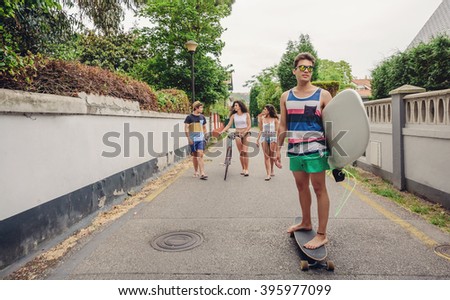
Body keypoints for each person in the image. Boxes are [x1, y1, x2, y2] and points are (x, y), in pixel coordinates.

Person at [276, 52, 332, 249]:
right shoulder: (286, 96)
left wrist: (338, 154)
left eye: (309, 68)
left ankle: (322, 234)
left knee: (319, 189)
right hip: (295, 149)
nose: (306, 71)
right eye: (302, 67)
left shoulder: (323, 95)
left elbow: (332, 125)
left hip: (316, 149)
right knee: (301, 187)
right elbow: (283, 125)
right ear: (295, 71)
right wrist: (277, 150)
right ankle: (306, 222)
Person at [219, 100, 251, 176]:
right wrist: (223, 131)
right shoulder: (234, 116)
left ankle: (247, 169)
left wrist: (244, 132)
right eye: (234, 106)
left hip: (246, 133)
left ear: (240, 106)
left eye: (236, 105)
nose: (235, 107)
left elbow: (249, 125)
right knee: (241, 152)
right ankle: (243, 169)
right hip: (237, 134)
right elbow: (229, 125)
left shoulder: (246, 114)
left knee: (245, 152)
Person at [256, 104, 282, 181]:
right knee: (266, 156)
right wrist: (257, 140)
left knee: (271, 155)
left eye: (265, 109)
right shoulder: (262, 118)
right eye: (264, 109)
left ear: (269, 111)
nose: (264, 110)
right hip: (264, 137)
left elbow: (277, 132)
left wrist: (277, 142)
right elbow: (260, 130)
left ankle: (272, 168)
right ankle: (268, 174)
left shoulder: (275, 120)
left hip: (273, 137)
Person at [184, 101, 208, 180]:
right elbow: (186, 128)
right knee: (195, 156)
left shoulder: (202, 117)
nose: (202, 109)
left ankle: (202, 173)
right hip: (193, 140)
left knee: (200, 155)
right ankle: (196, 171)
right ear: (196, 108)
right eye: (201, 107)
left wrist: (205, 136)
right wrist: (188, 138)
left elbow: (204, 127)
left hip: (201, 139)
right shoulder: (189, 117)